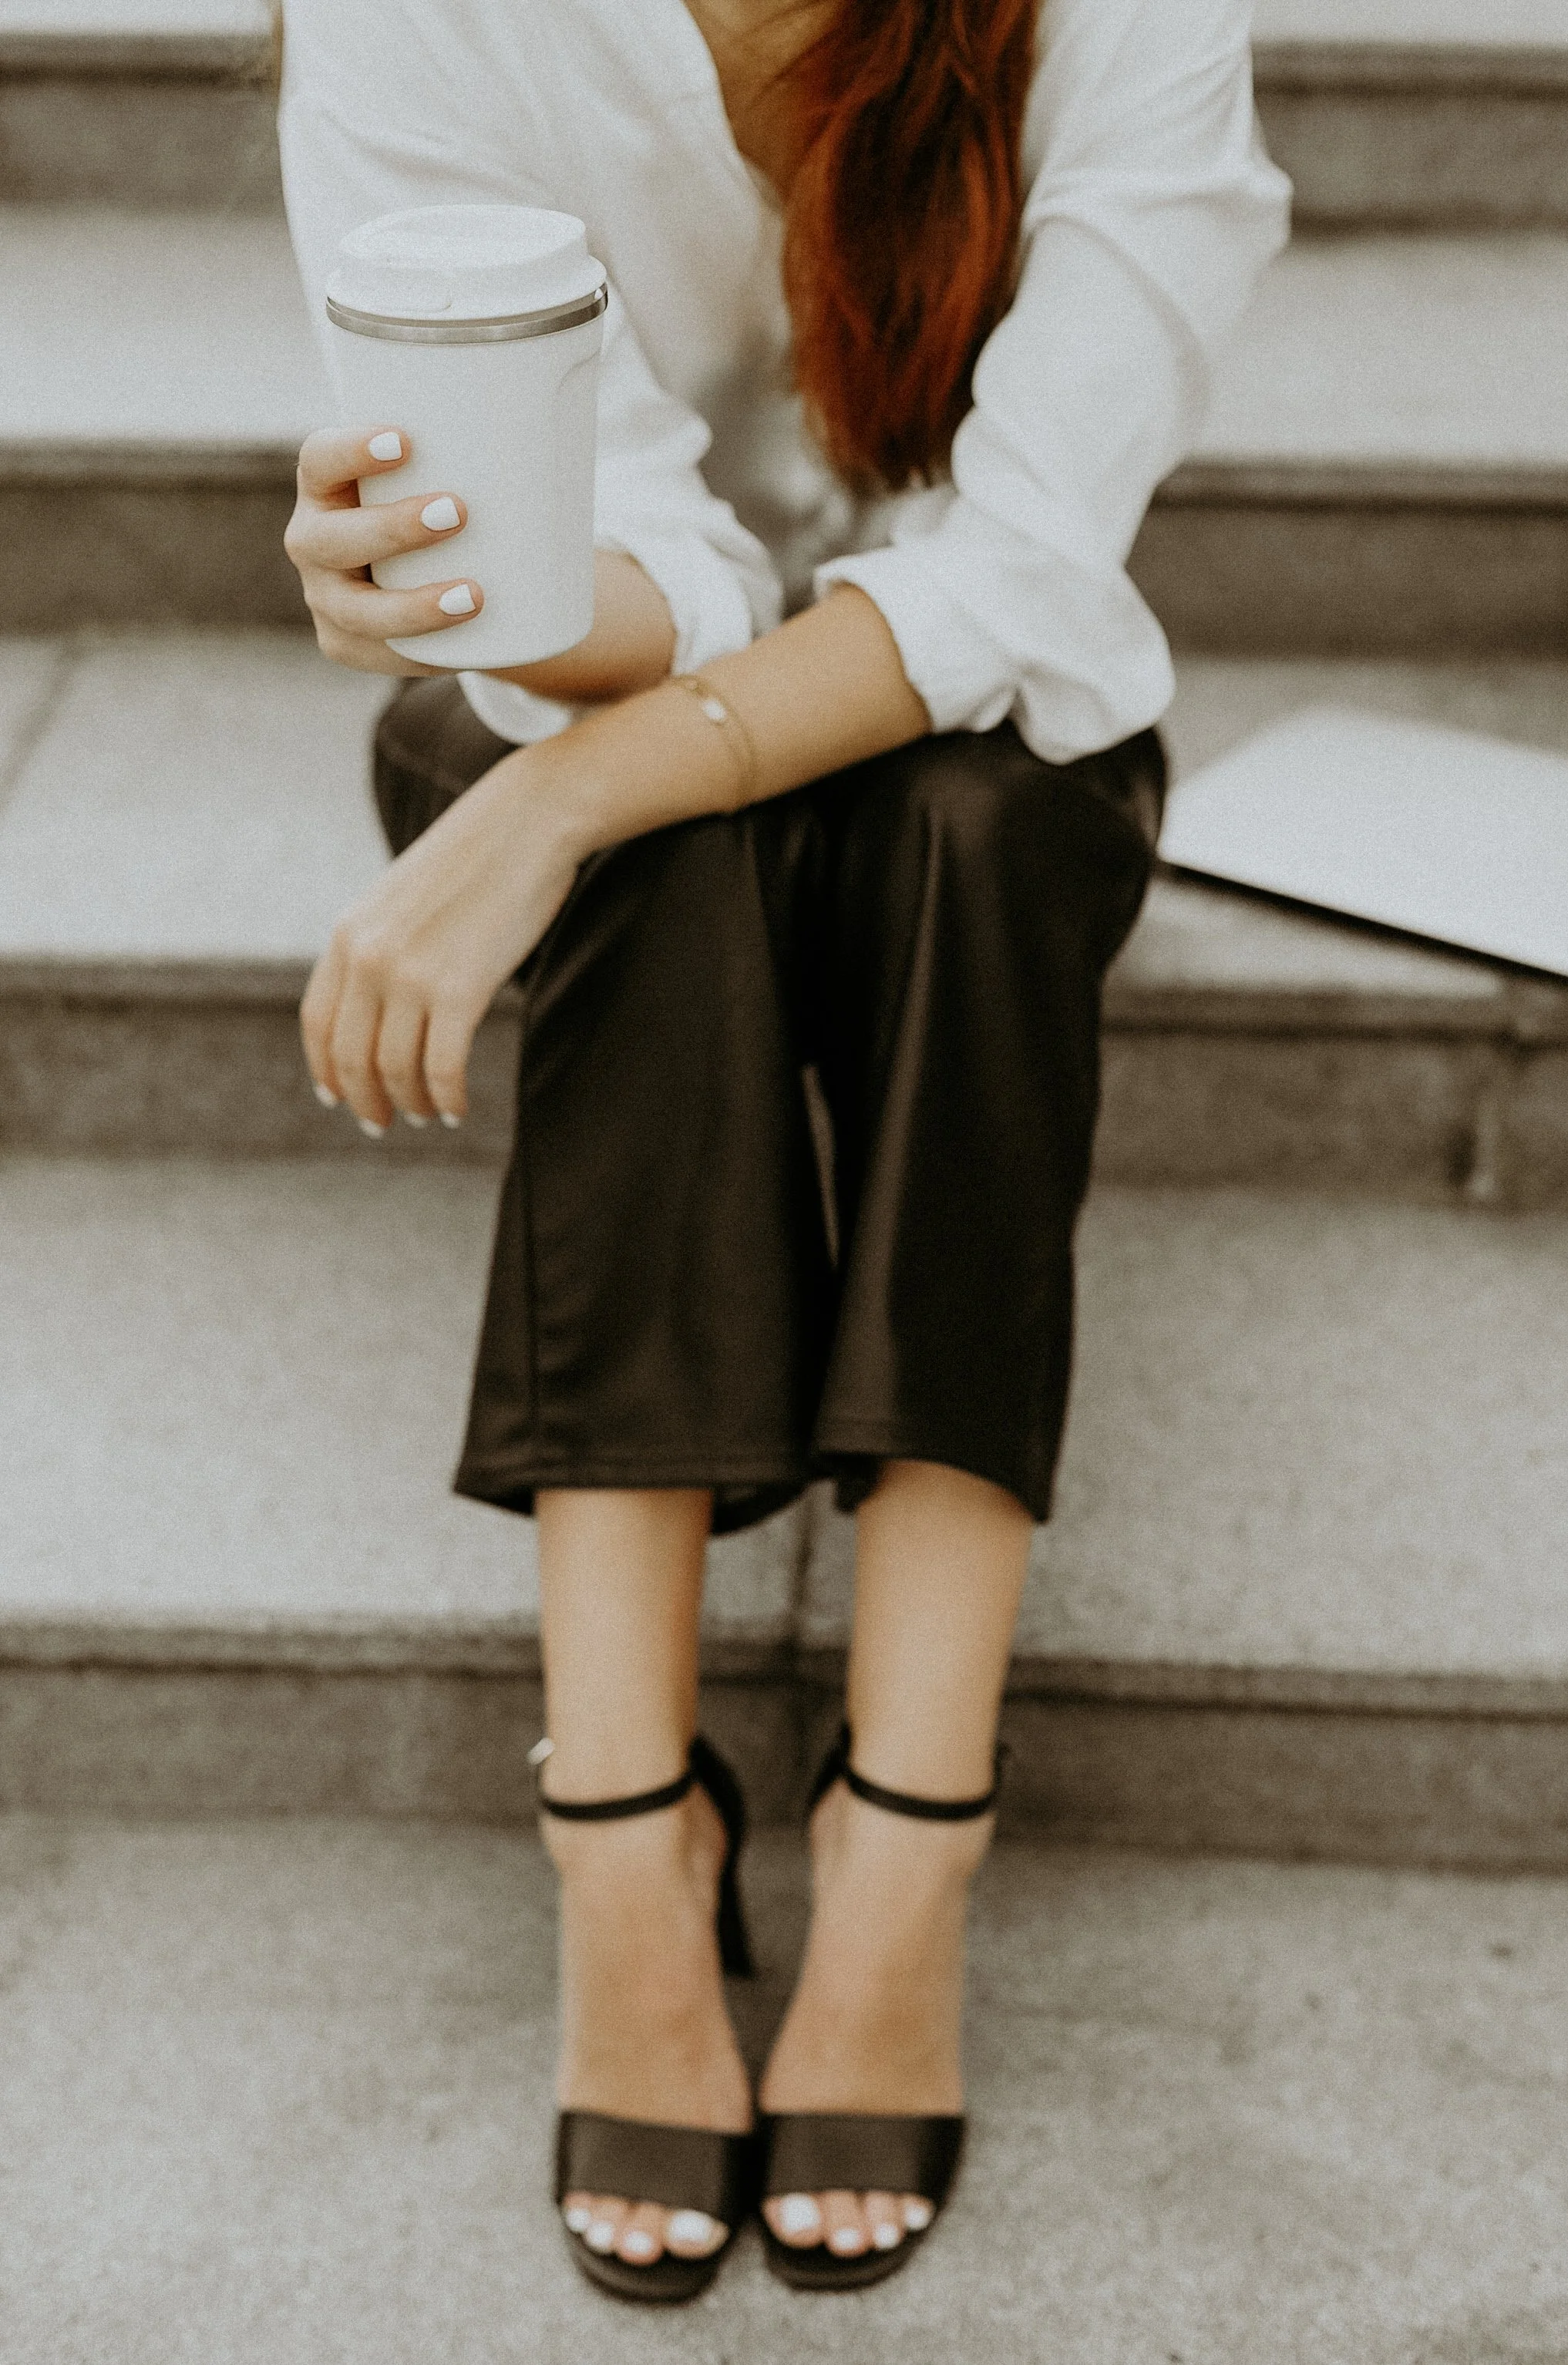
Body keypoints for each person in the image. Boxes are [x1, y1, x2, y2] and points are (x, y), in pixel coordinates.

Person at [278, 0, 1288, 2302]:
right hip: (579, 685)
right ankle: (623, 1837)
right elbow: (615, 575)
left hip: (973, 740)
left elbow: (1024, 574)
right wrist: (483, 615)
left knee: (968, 840)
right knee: (677, 863)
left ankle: (908, 1843)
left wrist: (567, 801)